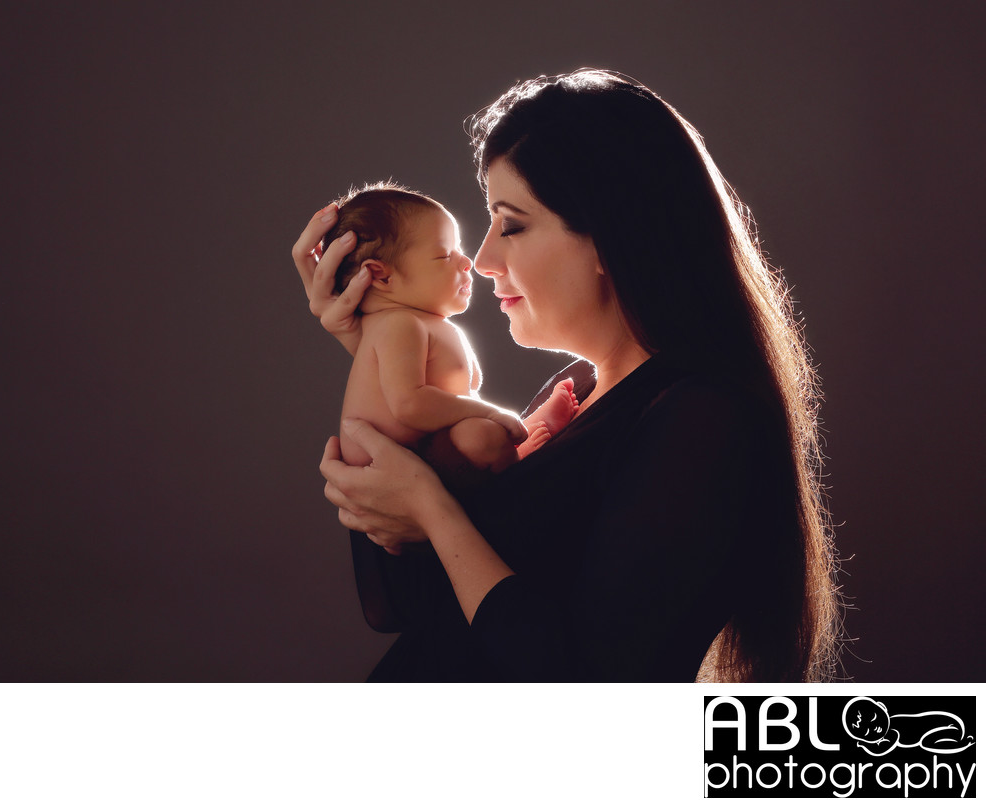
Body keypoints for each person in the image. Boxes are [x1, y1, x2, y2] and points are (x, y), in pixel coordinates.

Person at [292, 69, 842, 682]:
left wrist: (431, 507)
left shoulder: (700, 420)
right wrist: (379, 348)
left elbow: (586, 679)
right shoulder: (575, 396)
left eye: (514, 225)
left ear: (611, 234)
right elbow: (403, 606)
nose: (483, 259)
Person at [322, 183, 579, 483]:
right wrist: (493, 414)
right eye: (446, 255)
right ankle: (517, 458)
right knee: (481, 436)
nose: (468, 261)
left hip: (430, 453)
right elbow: (409, 405)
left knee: (477, 432)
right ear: (381, 275)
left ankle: (515, 443)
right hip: (396, 465)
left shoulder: (414, 323)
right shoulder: (398, 325)